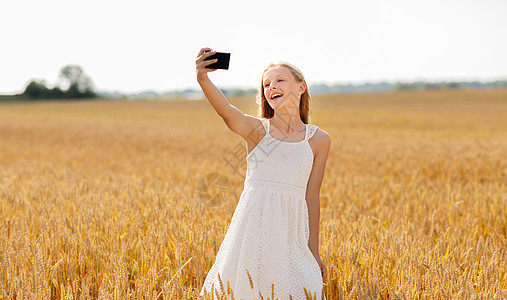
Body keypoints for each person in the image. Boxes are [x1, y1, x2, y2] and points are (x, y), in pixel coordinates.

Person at [196, 47, 330, 299]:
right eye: (266, 84)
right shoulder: (258, 130)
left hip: (291, 232)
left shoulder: (319, 140)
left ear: (301, 87)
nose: (271, 87)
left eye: (280, 80)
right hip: (253, 227)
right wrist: (203, 79)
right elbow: (226, 110)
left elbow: (312, 197)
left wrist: (314, 251)